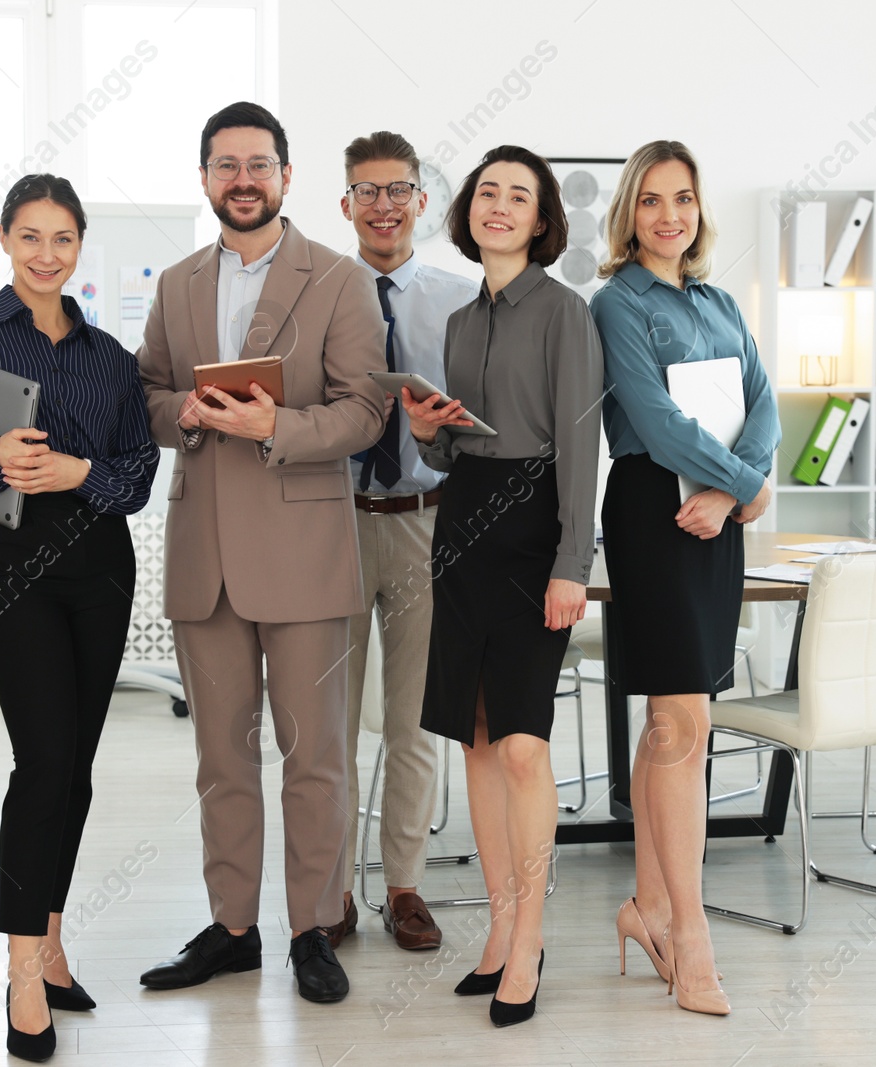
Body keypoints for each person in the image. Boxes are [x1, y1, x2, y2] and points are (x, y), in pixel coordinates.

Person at [0, 173, 159, 1062]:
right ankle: (18, 970)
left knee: (76, 765)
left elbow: (138, 474)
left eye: (63, 239)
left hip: (98, 567)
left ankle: (50, 942)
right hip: (12, 563)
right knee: (43, 759)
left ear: (81, 246)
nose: (48, 255)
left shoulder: (111, 359)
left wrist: (85, 474)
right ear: (5, 239)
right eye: (31, 237)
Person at [134, 102, 387, 1005]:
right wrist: (187, 414)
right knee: (221, 758)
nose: (243, 179)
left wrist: (274, 423)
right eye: (225, 165)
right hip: (205, 556)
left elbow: (364, 411)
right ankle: (233, 928)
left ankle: (314, 927)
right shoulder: (175, 284)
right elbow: (150, 393)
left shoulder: (340, 280)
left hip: (306, 556)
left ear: (286, 175)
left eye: (259, 164)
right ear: (205, 178)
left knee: (315, 756)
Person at [402, 144, 603, 1027]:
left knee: (523, 743)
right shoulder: (457, 320)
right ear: (469, 211)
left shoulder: (566, 313)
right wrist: (425, 429)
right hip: (464, 523)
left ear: (541, 218)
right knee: (477, 740)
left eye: (518, 196)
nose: (499, 206)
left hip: (534, 530)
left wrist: (572, 565)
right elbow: (449, 451)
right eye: (487, 192)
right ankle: (497, 927)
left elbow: (580, 447)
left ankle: (530, 935)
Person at [589, 140, 779, 1017]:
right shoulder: (615, 303)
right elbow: (654, 417)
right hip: (654, 514)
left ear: (700, 209)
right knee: (685, 719)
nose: (671, 215)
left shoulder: (720, 300)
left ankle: (651, 903)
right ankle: (692, 931)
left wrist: (736, 488)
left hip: (713, 521)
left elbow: (763, 401)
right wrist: (742, 486)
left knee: (677, 716)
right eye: (654, 199)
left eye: (685, 199)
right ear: (629, 210)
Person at [327, 131, 478, 953]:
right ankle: (332, 888)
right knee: (332, 722)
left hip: (428, 523)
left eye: (399, 189)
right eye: (367, 190)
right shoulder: (317, 292)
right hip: (335, 524)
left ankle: (407, 886)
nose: (383, 204)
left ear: (423, 200)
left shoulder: (462, 299)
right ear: (344, 204)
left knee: (415, 720)